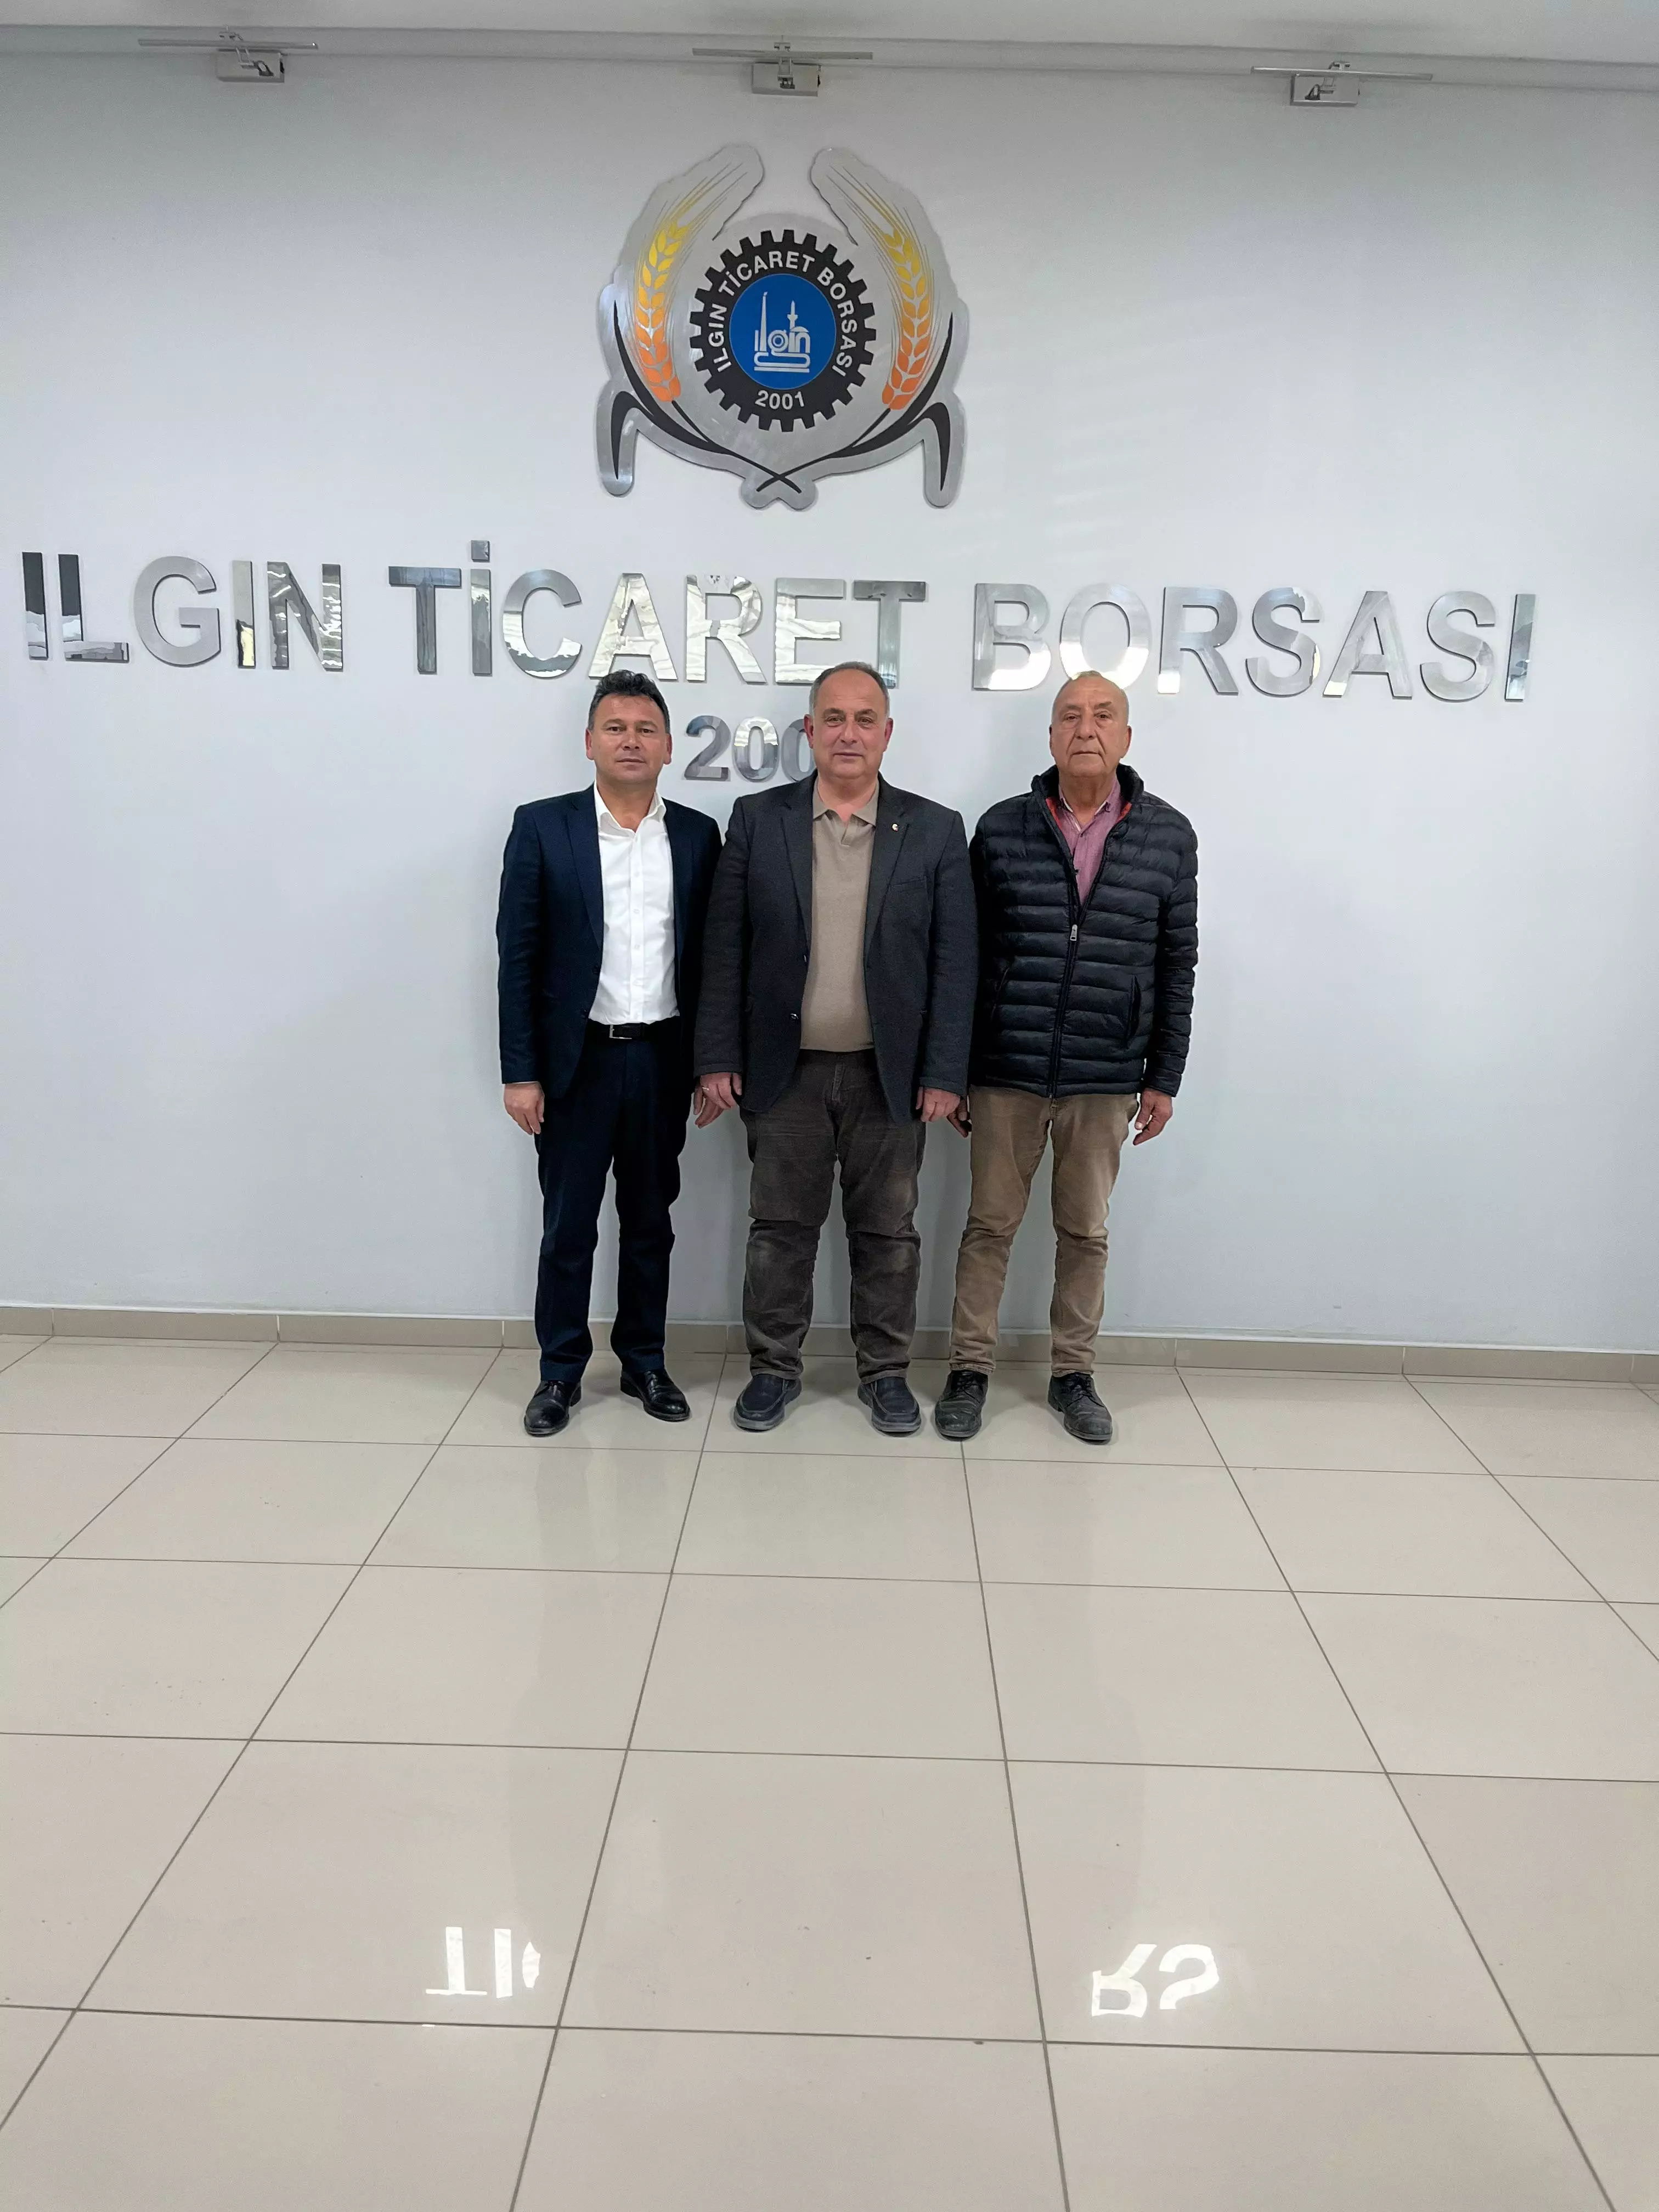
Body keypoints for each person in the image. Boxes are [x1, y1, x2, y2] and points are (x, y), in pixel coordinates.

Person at [696, 661, 977, 1435]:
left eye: (865, 719)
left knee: (889, 1235)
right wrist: (716, 1058)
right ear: (810, 730)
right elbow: (724, 949)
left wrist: (944, 1072)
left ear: (887, 734)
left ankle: (885, 1374)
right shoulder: (758, 820)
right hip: (782, 1073)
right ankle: (772, 1370)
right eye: (834, 718)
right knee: (780, 1233)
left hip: (890, 1077)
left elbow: (957, 963)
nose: (849, 733)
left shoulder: (936, 829)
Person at [933, 669, 1198, 1444]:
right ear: (1050, 736)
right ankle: (969, 1370)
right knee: (989, 1227)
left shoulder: (1169, 836)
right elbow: (966, 956)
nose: (1086, 729)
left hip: (1106, 1075)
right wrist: (955, 1069)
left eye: (1102, 715)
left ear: (1126, 736)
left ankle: (1072, 1375)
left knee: (1085, 1233)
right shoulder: (1002, 828)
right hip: (1006, 1070)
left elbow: (1176, 962)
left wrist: (1164, 1074)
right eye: (1070, 716)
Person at [495, 671, 721, 1436]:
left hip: (661, 1059)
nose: (631, 741)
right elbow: (518, 959)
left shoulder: (696, 836)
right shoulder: (542, 827)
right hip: (576, 1065)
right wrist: (521, 1072)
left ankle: (644, 1362)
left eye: (646, 729)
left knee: (650, 1223)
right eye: (616, 728)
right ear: (589, 742)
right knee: (569, 1228)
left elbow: (711, 961)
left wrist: (710, 1062)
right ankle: (559, 1372)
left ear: (669, 747)